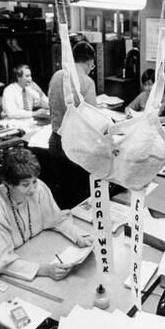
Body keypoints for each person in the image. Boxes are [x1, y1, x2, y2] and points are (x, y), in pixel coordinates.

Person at [0, 148, 93, 279]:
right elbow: (0, 261)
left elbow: (56, 219)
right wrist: (44, 270)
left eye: (34, 181)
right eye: (25, 185)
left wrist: (78, 237)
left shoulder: (39, 188)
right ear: (8, 184)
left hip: (33, 252)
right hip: (5, 272)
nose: (32, 189)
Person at [48, 41, 97, 207]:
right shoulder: (87, 82)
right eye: (93, 64)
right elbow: (91, 122)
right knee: (80, 199)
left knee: (62, 195)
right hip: (75, 148)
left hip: (55, 143)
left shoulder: (56, 76)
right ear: (90, 62)